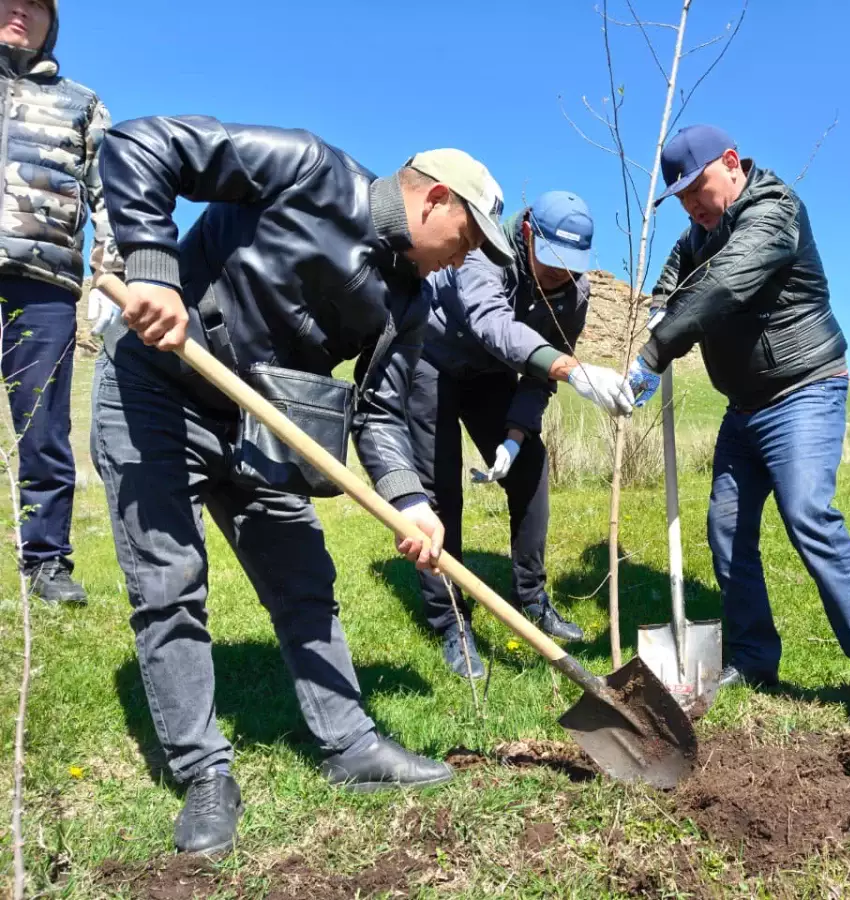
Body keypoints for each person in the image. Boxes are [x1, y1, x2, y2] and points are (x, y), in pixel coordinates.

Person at [90, 114, 512, 854]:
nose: (466, 255)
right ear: (436, 199)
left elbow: (379, 411)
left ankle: (350, 744)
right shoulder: (309, 171)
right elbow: (140, 145)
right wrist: (153, 268)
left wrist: (411, 501)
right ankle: (205, 772)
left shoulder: (409, 301)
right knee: (170, 584)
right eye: (469, 236)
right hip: (154, 386)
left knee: (303, 578)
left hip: (260, 418)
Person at [625, 124, 850, 727]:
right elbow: (681, 266)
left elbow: (724, 284)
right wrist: (661, 300)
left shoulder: (774, 212)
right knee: (726, 531)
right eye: (682, 198)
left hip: (803, 390)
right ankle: (753, 656)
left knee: (807, 515)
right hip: (744, 407)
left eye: (698, 189)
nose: (693, 206)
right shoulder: (701, 231)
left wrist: (655, 351)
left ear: (731, 162)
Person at [412, 190, 632, 677]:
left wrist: (514, 437)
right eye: (552, 260)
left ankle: (531, 597)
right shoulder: (485, 250)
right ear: (529, 232)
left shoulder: (574, 294)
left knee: (531, 465)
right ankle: (451, 621)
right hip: (432, 361)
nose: (560, 274)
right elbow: (492, 323)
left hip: (491, 373)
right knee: (439, 491)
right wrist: (572, 369)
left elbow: (537, 379)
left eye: (571, 265)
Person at [0, 0, 122, 605]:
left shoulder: (81, 102)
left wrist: (111, 275)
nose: (22, 11)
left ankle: (46, 562)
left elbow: (112, 197)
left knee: (43, 425)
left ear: (52, 24)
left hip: (43, 282)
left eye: (38, 5)